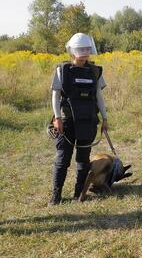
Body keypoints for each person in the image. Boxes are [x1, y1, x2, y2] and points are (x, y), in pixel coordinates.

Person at [49, 33, 108, 205]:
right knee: (62, 159)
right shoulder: (62, 70)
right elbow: (55, 96)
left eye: (87, 49)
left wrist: (105, 118)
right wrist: (58, 117)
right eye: (80, 49)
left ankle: (78, 194)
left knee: (83, 159)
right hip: (67, 122)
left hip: (87, 121)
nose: (84, 52)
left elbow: (99, 96)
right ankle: (56, 196)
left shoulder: (95, 71)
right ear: (72, 51)